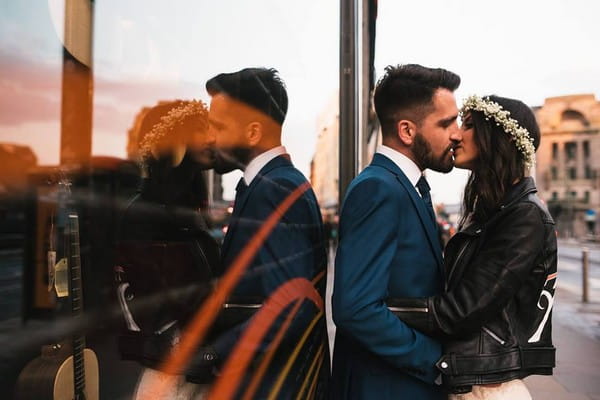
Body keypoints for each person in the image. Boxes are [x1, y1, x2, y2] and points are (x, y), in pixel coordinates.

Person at [391, 95, 557, 400]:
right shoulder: (491, 208)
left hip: (487, 390)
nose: (456, 134)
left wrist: (380, 308)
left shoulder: (524, 215)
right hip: (470, 381)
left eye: (468, 125)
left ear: (496, 139)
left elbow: (462, 309)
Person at [187, 67, 328, 398]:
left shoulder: (273, 188)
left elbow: (291, 307)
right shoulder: (273, 183)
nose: (210, 137)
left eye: (218, 126)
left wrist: (214, 353)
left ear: (252, 133)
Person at [331, 64, 462, 400]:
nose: (458, 133)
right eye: (447, 123)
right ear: (407, 130)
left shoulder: (408, 185)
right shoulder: (378, 188)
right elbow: (355, 308)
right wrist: (437, 363)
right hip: (384, 386)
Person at [114, 100, 221, 399]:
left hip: (193, 370)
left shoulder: (187, 208)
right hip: (171, 377)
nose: (212, 137)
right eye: (202, 129)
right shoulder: (147, 213)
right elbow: (153, 303)